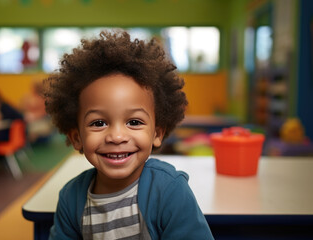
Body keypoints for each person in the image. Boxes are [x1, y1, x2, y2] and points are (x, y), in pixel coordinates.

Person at [44, 31, 213, 239]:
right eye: (99, 123)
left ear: (157, 134)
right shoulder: (71, 198)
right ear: (77, 137)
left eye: (134, 122)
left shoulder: (169, 190)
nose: (116, 137)